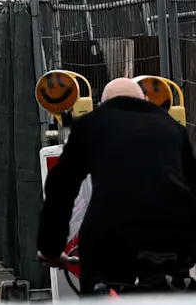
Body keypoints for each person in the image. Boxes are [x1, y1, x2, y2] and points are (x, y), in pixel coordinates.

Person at [38, 76, 196, 292]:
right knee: (174, 294)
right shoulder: (172, 128)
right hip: (173, 235)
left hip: (111, 235)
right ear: (145, 100)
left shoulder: (91, 124)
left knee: (101, 302)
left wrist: (51, 249)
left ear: (103, 105)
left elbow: (61, 188)